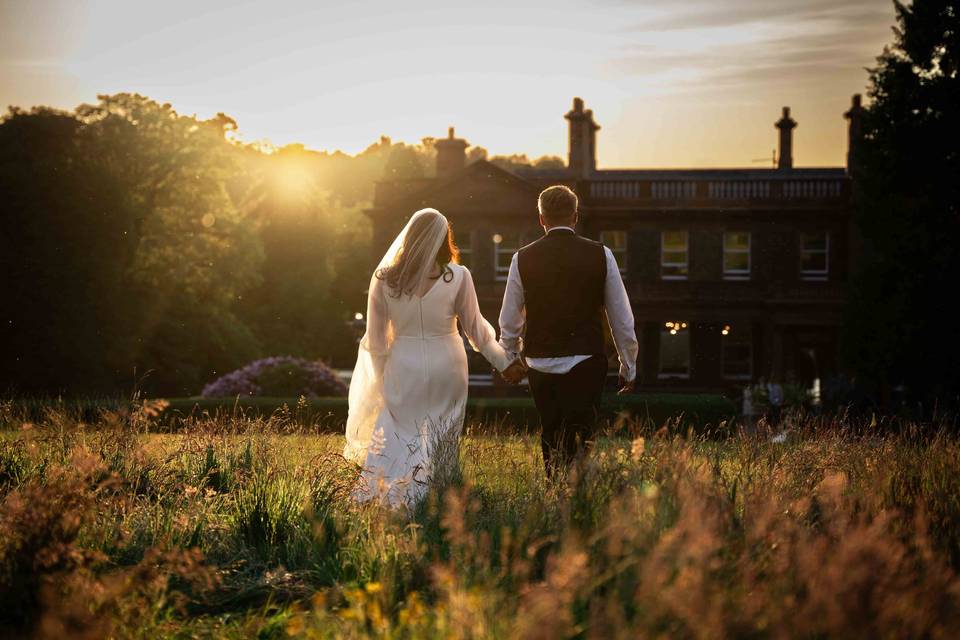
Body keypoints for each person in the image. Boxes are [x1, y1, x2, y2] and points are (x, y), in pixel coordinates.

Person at [343, 208, 524, 507]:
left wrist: (380, 379)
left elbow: (375, 342)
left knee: (398, 428)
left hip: (403, 363)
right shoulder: (459, 276)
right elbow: (477, 331)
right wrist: (505, 363)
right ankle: (436, 493)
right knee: (442, 431)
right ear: (444, 240)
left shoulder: (385, 280)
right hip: (447, 363)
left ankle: (387, 492)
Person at [498, 185, 638, 476]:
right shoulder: (601, 255)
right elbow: (620, 316)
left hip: (540, 360)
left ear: (541, 219)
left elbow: (510, 319)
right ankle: (577, 495)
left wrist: (508, 356)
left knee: (551, 431)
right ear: (575, 216)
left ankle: (555, 489)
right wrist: (628, 362)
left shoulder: (522, 258)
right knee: (582, 431)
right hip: (587, 358)